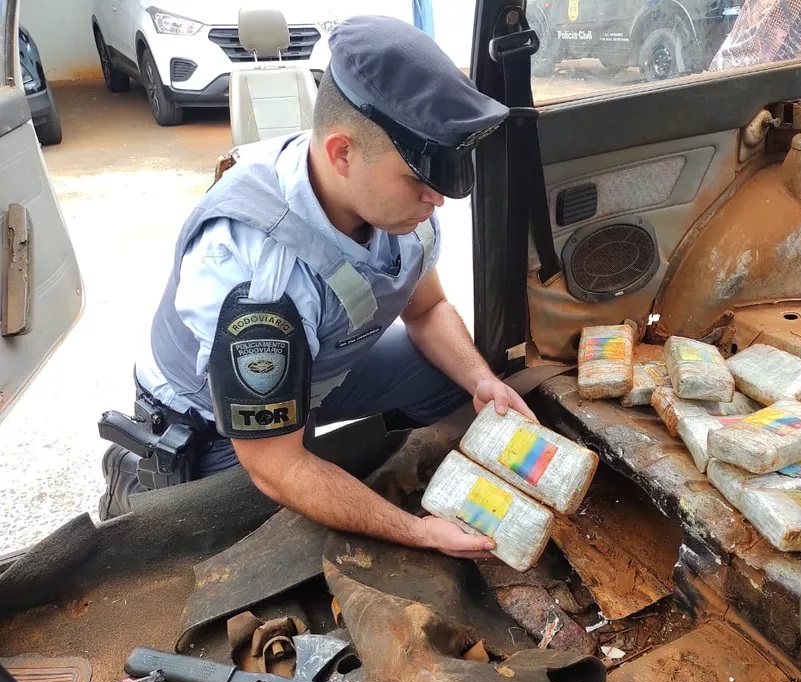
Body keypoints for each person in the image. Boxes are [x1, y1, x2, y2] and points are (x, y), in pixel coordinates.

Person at [99, 15, 534, 560]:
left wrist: (482, 381)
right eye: (420, 180)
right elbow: (275, 469)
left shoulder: (400, 204)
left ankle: (389, 470)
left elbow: (427, 310)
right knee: (271, 553)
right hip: (217, 420)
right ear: (341, 153)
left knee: (457, 381)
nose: (437, 201)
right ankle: (138, 480)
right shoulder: (256, 276)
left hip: (320, 367)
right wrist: (419, 532)